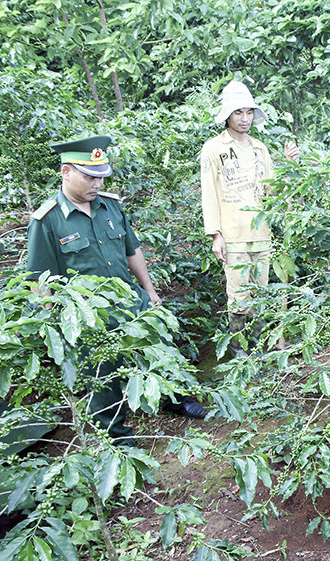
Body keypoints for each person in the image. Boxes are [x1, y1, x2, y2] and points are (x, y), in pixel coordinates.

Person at [27, 135, 207, 445]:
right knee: (101, 374)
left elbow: (131, 250)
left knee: (160, 347)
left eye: (101, 176)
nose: (97, 184)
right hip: (88, 314)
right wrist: (53, 325)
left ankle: (174, 399)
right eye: (89, 176)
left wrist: (149, 290)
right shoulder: (47, 220)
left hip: (128, 301)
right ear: (66, 172)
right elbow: (39, 278)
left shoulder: (110, 206)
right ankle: (117, 436)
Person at [201, 80, 299, 358]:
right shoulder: (213, 149)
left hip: (262, 235)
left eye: (248, 113)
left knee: (261, 295)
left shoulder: (260, 149)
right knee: (239, 298)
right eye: (238, 113)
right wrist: (215, 235)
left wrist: (291, 164)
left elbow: (272, 192)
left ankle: (257, 347)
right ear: (227, 116)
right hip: (232, 235)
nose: (244, 119)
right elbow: (209, 192)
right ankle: (238, 351)